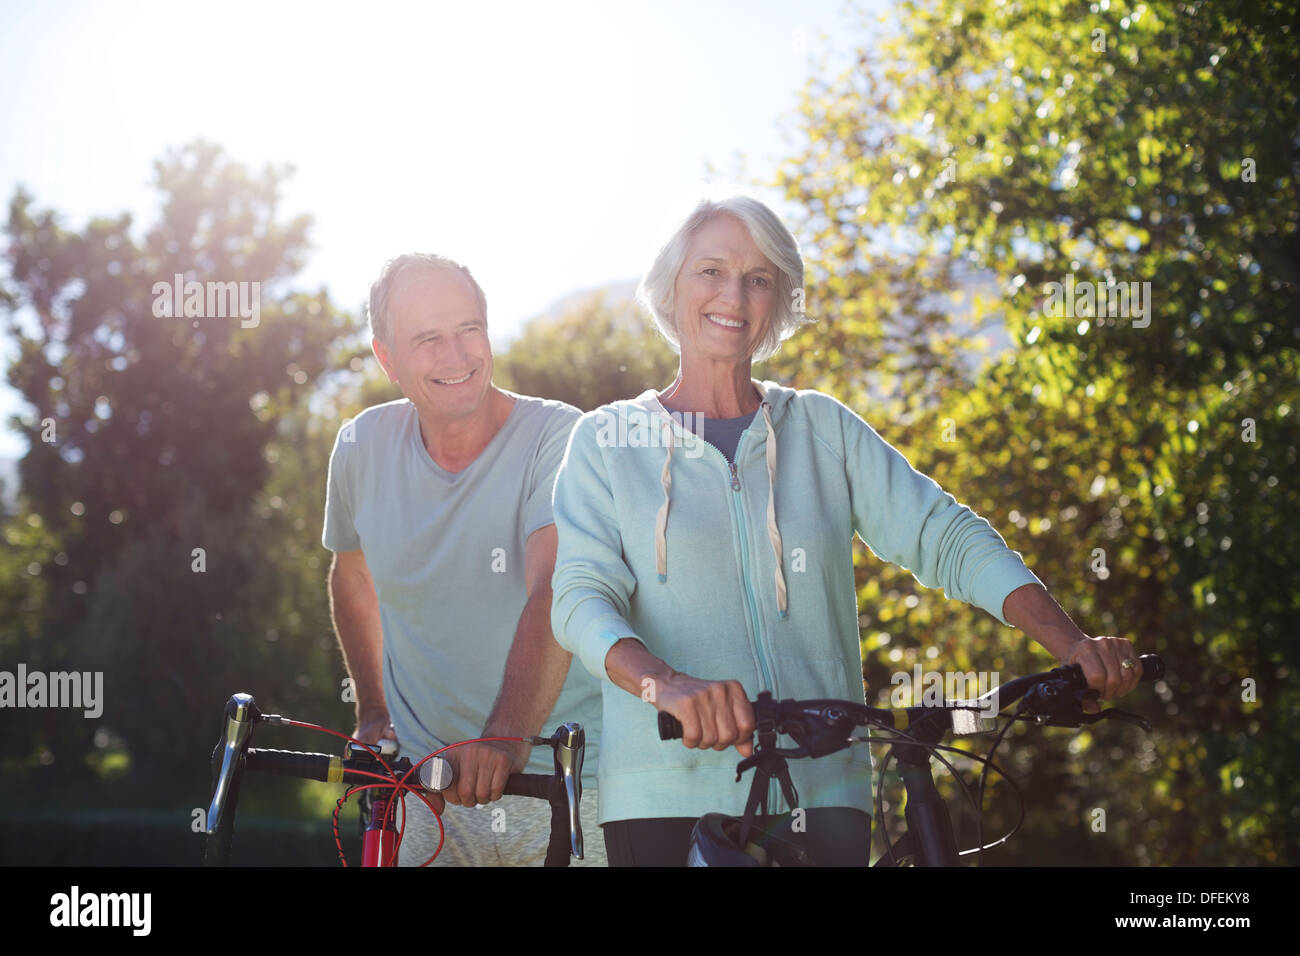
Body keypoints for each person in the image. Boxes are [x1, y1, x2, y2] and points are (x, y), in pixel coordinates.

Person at [549, 192, 1145, 866]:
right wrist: (669, 686)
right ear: (671, 287)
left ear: (778, 300)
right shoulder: (606, 441)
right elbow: (580, 601)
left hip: (826, 792)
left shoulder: (820, 428)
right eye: (711, 271)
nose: (735, 296)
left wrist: (1070, 644)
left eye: (759, 278)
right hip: (665, 798)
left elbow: (945, 536)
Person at [323, 253, 603, 866]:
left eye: (468, 329)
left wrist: (506, 739)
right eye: (427, 339)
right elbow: (354, 575)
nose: (456, 356)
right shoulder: (360, 447)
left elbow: (553, 585)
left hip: (565, 787)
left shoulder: (560, 437)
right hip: (427, 794)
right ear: (387, 359)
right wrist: (373, 711)